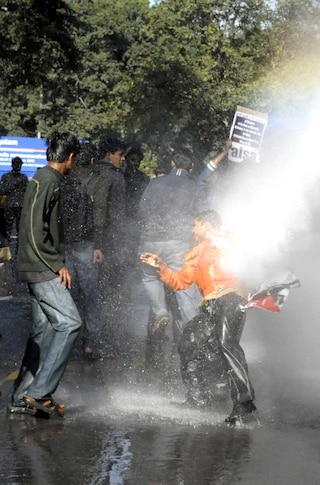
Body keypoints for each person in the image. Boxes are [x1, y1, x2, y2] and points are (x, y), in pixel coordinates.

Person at [140, 210, 256, 425]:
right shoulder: (196, 254)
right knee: (189, 342)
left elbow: (251, 254)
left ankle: (244, 404)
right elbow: (180, 282)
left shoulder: (229, 241)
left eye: (196, 225)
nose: (192, 230)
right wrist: (162, 266)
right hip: (210, 305)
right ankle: (198, 397)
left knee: (226, 344)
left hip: (231, 299)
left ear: (207, 226)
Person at [8, 131, 82, 418]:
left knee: (45, 329)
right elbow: (32, 229)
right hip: (41, 267)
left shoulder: (46, 179)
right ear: (71, 157)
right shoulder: (47, 180)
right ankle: (39, 393)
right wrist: (56, 264)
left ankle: (20, 397)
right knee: (70, 323)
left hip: (38, 265)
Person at [137, 152, 203, 367]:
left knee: (150, 277)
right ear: (191, 167)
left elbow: (142, 210)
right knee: (183, 285)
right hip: (178, 242)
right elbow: (200, 216)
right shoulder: (194, 187)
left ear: (172, 163)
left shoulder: (155, 182)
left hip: (152, 239)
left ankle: (160, 311)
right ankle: (192, 329)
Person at [61, 142, 101, 357]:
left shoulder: (64, 181)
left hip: (66, 244)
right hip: (84, 243)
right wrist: (97, 244)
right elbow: (95, 217)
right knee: (90, 294)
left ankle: (67, 338)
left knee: (68, 291)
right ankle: (90, 342)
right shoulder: (92, 181)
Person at [88, 138, 128, 339]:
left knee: (95, 285)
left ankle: (97, 330)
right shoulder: (110, 176)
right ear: (109, 155)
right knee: (109, 285)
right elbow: (101, 207)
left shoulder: (93, 172)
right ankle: (105, 331)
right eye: (120, 155)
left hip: (99, 238)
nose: (123, 158)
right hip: (109, 239)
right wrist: (100, 241)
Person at [0, 156, 30, 240]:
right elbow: (2, 190)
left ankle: (19, 249)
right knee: (7, 230)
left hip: (20, 206)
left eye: (19, 164)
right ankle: (6, 248)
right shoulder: (6, 177)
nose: (18, 166)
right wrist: (13, 185)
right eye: (16, 164)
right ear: (12, 165)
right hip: (9, 206)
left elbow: (27, 191)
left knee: (20, 229)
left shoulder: (23, 177)